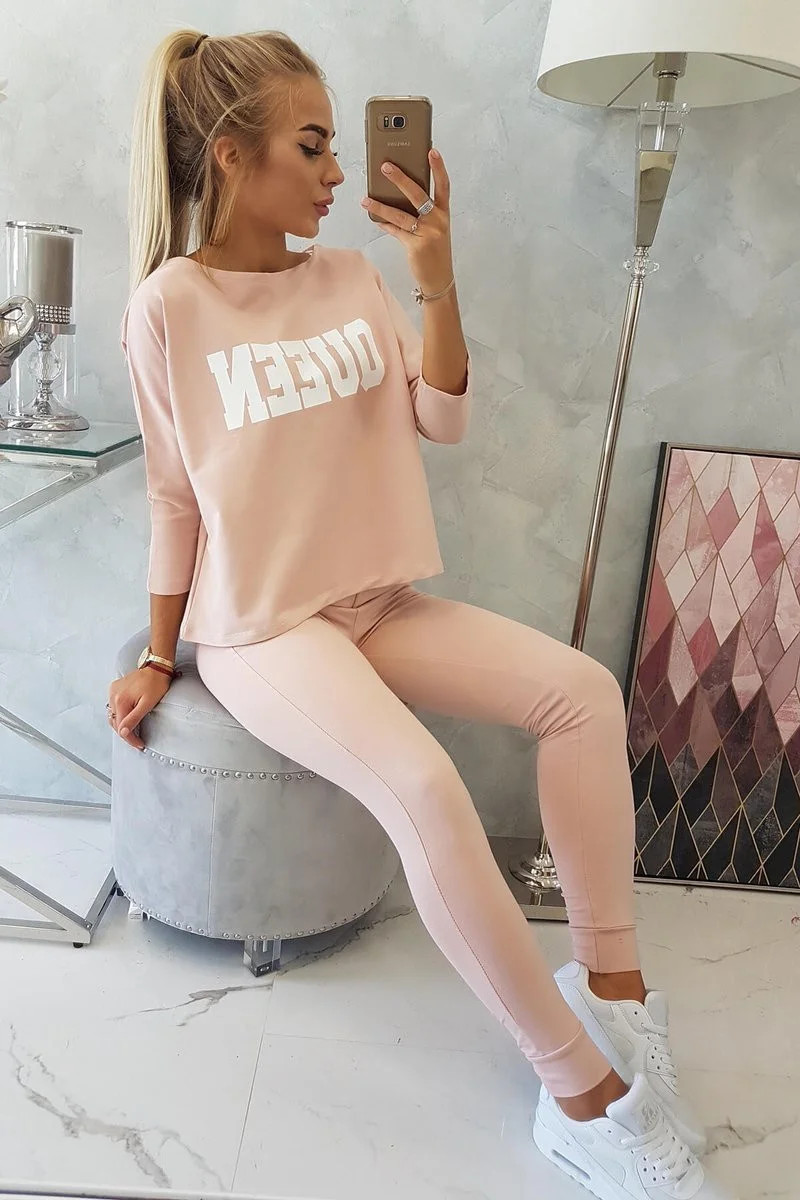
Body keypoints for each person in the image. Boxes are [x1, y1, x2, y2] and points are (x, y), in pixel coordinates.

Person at [108, 28, 733, 1200]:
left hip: (376, 599)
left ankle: (611, 992)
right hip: (264, 627)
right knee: (426, 788)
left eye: (336, 146)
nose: (338, 172)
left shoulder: (350, 276)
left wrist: (433, 277)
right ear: (232, 155)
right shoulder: (167, 308)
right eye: (311, 147)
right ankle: (577, 1097)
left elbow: (440, 419)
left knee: (582, 692)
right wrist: (156, 653)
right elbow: (173, 498)